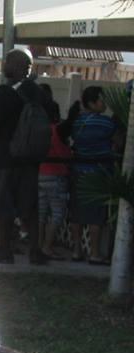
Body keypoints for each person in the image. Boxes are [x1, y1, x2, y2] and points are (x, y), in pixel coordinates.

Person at [0, 48, 46, 265]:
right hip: (30, 158)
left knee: (4, 205)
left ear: (15, 65)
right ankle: (35, 251)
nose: (3, 65)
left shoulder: (5, 93)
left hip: (4, 158)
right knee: (30, 207)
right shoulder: (37, 93)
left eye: (6, 61)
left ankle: (4, 249)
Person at [63, 86, 118, 265]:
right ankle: (94, 253)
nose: (105, 103)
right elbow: (116, 141)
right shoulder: (106, 123)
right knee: (96, 215)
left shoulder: (77, 122)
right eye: (101, 100)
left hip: (78, 171)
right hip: (99, 173)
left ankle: (76, 250)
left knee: (77, 213)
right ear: (92, 103)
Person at [37, 83, 70, 260]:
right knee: (57, 213)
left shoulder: (38, 128)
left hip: (39, 173)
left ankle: (38, 246)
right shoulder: (57, 130)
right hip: (56, 174)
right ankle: (47, 247)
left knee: (40, 213)